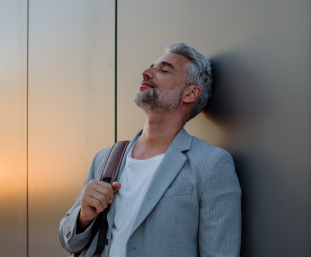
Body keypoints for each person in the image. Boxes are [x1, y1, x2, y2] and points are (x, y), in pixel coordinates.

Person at [58, 42, 242, 257]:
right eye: (151, 67)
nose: (146, 73)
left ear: (190, 93)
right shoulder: (105, 159)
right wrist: (83, 217)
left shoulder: (211, 164)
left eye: (164, 70)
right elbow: (68, 242)